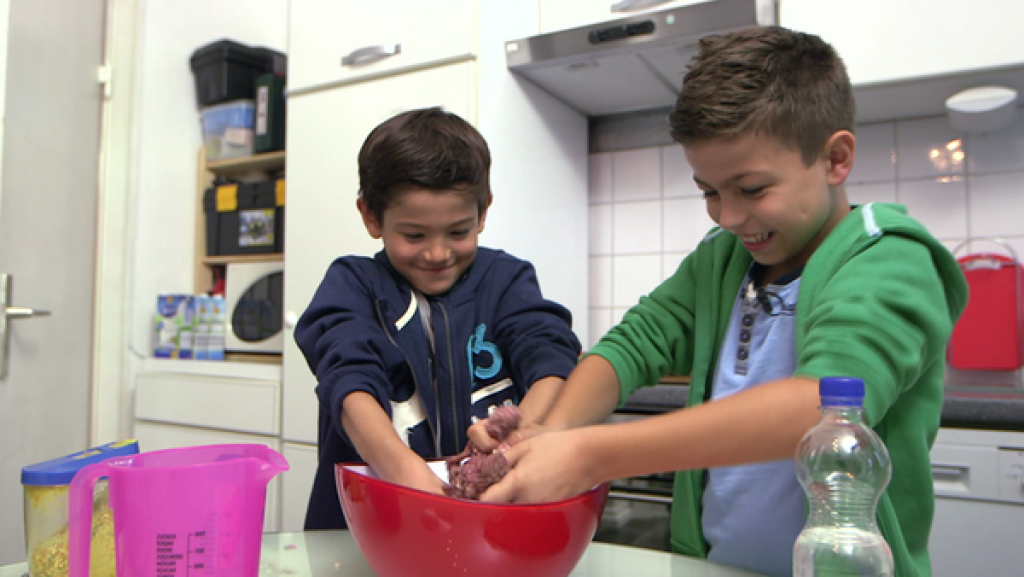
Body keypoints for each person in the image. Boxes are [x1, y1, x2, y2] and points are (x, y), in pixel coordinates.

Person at [476, 26, 968, 577]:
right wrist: (552, 433)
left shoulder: (890, 258)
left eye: (752, 190)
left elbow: (819, 407)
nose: (729, 217)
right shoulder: (721, 259)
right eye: (710, 191)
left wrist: (589, 453)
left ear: (835, 159)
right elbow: (634, 344)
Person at [295, 107, 582, 530]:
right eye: (414, 235)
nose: (437, 253)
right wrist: (409, 474)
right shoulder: (352, 284)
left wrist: (519, 438)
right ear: (371, 217)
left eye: (458, 232)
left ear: (483, 212)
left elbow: (551, 358)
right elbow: (349, 381)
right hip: (368, 527)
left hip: (489, 528)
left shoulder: (506, 280)